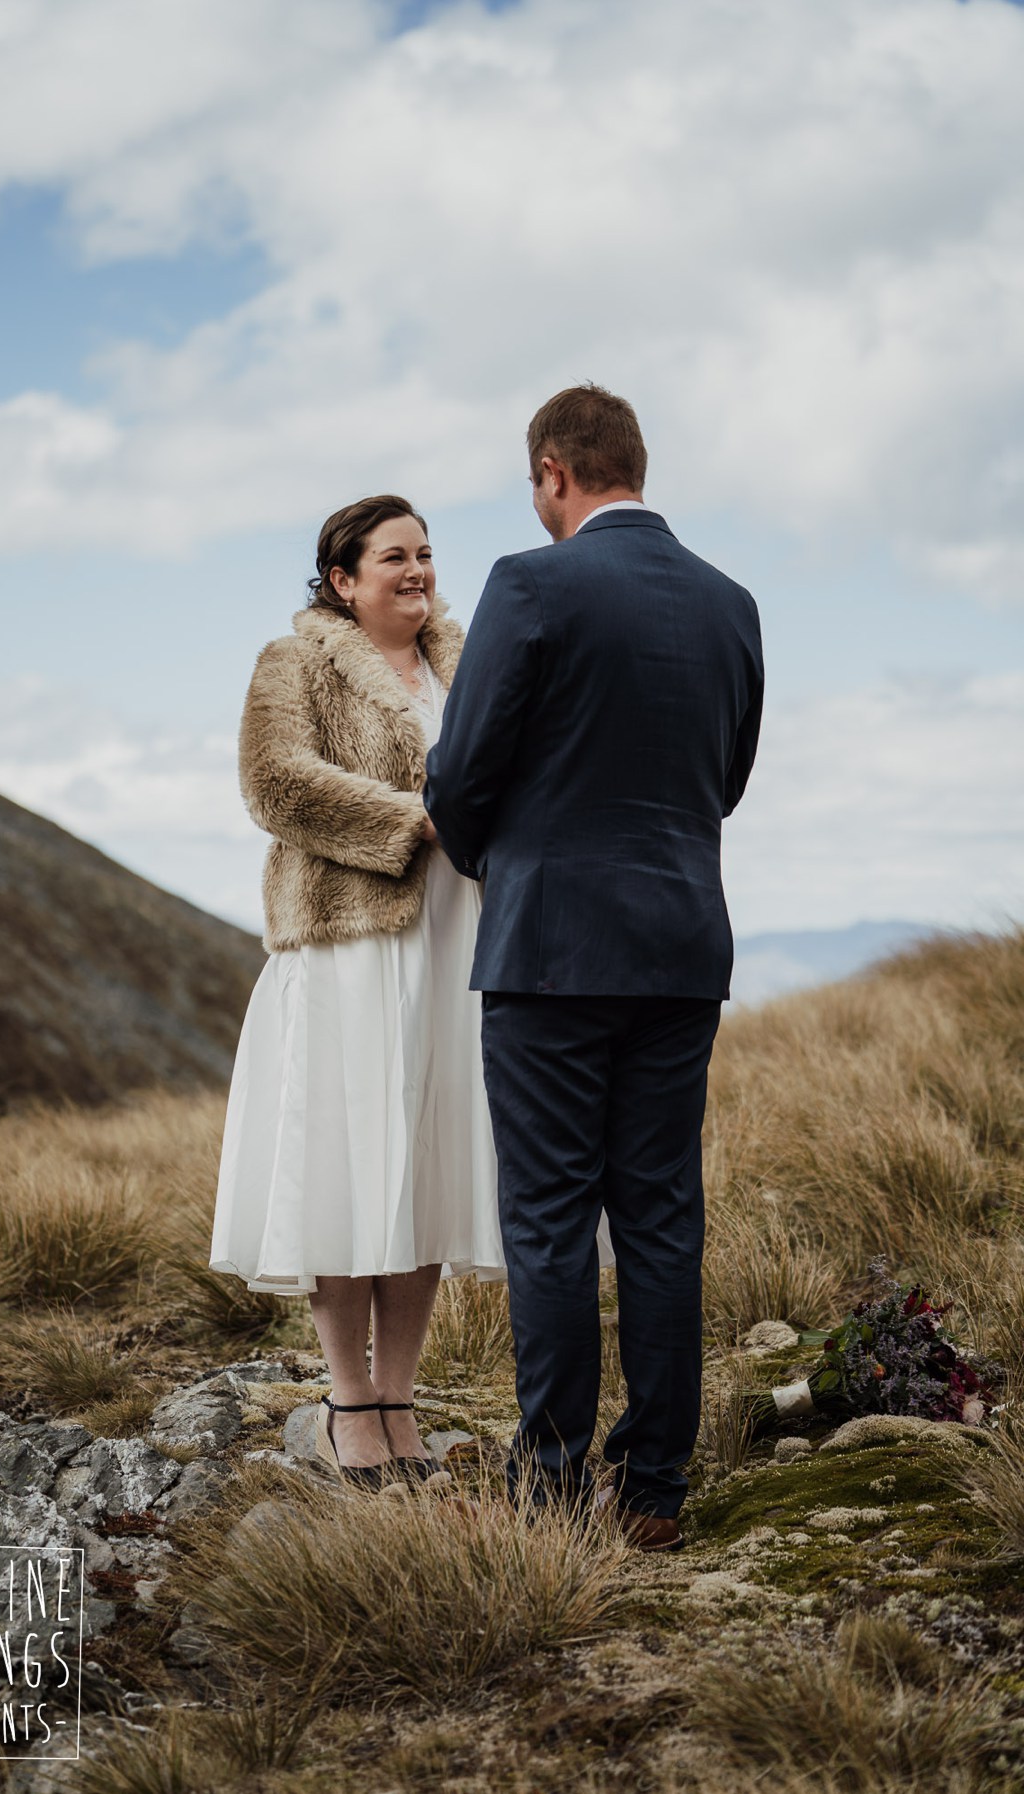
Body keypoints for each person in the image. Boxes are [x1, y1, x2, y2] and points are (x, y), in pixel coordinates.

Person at [424, 384, 764, 1549]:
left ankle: (558, 1488)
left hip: (550, 952)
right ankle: (657, 1490)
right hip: (680, 947)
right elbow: (727, 777)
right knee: (665, 1218)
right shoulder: (731, 603)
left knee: (553, 1220)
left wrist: (497, 862)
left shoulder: (529, 582)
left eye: (535, 485)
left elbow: (460, 773)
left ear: (554, 473)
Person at [210, 494, 502, 1490]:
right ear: (343, 579)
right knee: (346, 1167)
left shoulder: (466, 659)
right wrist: (413, 821)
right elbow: (274, 782)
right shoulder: (295, 663)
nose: (417, 571)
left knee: (419, 1166)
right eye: (394, 557)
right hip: (347, 945)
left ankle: (399, 1401)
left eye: (425, 553)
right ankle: (347, 1402)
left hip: (453, 943)